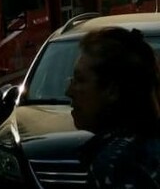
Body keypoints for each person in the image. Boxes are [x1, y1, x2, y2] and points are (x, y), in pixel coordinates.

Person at [65, 26, 160, 188]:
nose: (69, 91)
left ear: (112, 91)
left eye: (80, 80)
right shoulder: (145, 148)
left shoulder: (117, 164)